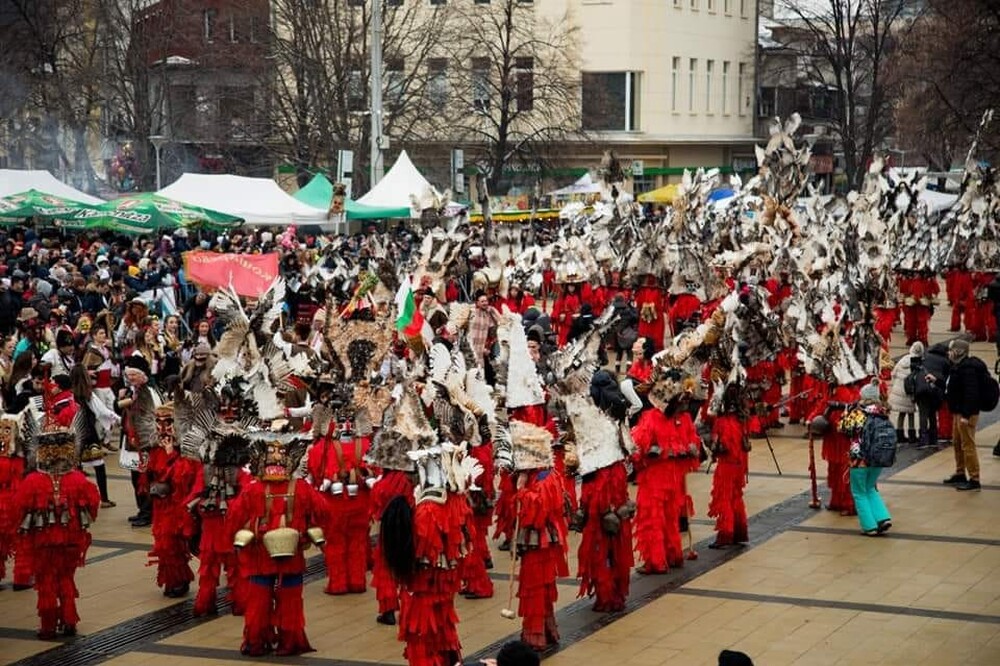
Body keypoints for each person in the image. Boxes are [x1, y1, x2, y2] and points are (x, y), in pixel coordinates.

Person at [14, 427, 100, 639]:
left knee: (46, 580)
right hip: (70, 540)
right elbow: (93, 504)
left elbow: (19, 509)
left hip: (43, 542)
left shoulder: (32, 481)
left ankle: (48, 627)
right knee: (66, 577)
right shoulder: (78, 479)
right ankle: (69, 621)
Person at [936, 339, 985, 490]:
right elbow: (952, 387)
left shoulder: (968, 369)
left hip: (965, 413)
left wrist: (966, 414)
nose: (948, 353)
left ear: (959, 352)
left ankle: (974, 478)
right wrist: (937, 382)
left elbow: (972, 394)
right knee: (957, 443)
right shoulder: (956, 367)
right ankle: (960, 472)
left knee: (967, 445)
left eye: (951, 350)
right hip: (957, 411)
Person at [847, 381, 893, 536]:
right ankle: (882, 517)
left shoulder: (858, 413)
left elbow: (844, 427)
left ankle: (869, 526)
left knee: (859, 492)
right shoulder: (883, 412)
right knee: (870, 488)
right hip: (879, 457)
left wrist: (847, 411)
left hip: (859, 457)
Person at [70, 364, 120, 508]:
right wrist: (118, 419)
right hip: (89, 434)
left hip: (74, 434)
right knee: (99, 466)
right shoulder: (88, 394)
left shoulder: (69, 394)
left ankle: (77, 499)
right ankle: (104, 498)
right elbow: (103, 411)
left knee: (76, 467)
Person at [887, 342, 921, 444]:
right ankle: (912, 435)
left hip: (899, 390)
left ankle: (899, 434)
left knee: (901, 413)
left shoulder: (903, 359)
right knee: (911, 414)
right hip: (909, 392)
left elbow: (893, 373)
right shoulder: (918, 363)